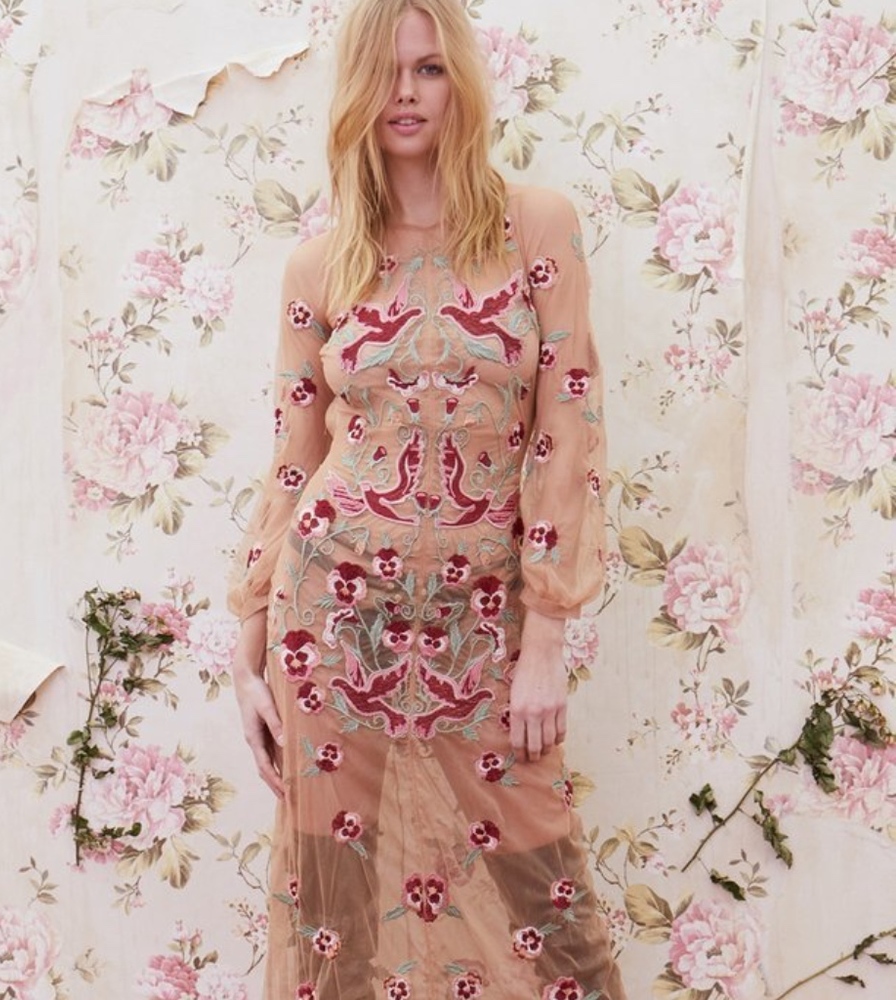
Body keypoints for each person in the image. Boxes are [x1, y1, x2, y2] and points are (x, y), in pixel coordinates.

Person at [229, 1, 626, 998]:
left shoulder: (536, 227)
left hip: (486, 621)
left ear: (463, 84)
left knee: (553, 912)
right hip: (334, 621)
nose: (405, 94)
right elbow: (294, 461)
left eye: (430, 70)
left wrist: (545, 637)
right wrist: (248, 646)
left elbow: (567, 424)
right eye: (386, 72)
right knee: (335, 919)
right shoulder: (320, 265)